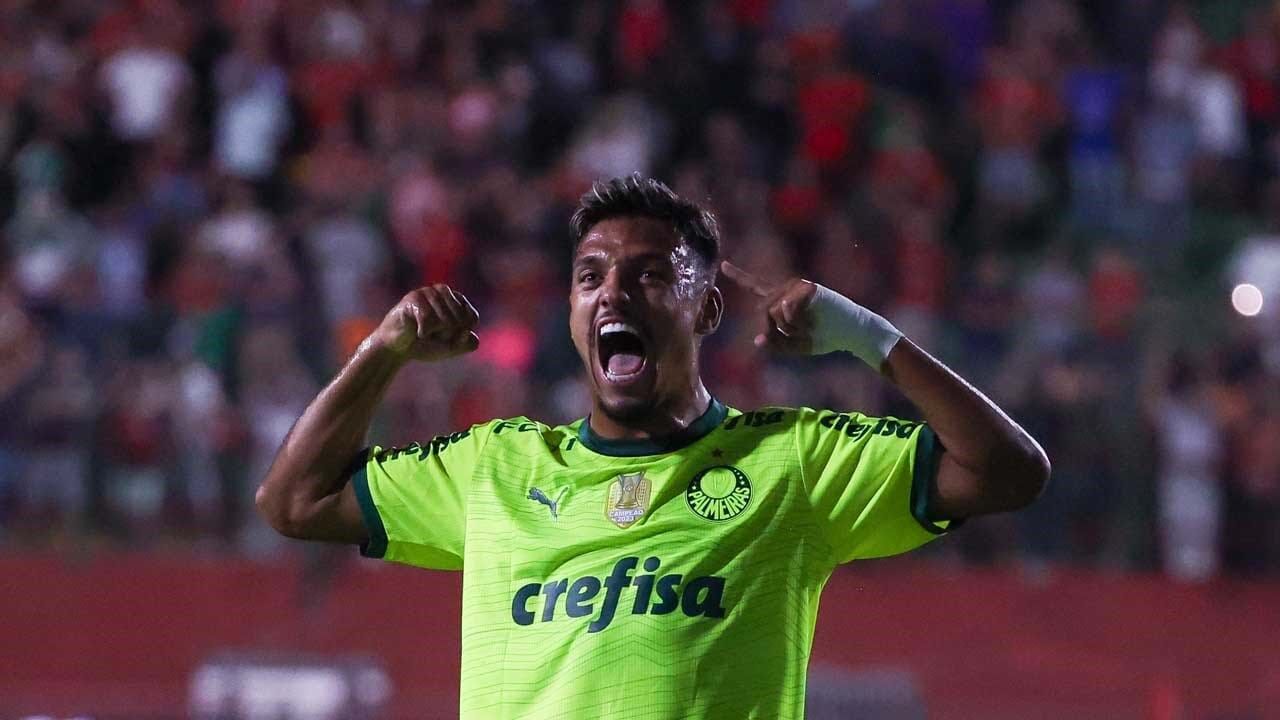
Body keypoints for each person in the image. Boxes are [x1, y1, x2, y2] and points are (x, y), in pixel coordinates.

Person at [255, 175, 1050, 719]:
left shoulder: (793, 460)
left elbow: (1008, 472)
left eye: (648, 276)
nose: (612, 293)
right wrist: (384, 350)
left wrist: (866, 335)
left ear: (706, 312)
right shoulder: (494, 467)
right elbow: (294, 501)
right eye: (590, 277)